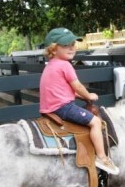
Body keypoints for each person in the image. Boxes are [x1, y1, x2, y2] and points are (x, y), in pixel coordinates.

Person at [40, 27, 119, 175]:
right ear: (53, 49)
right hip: (63, 107)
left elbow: (64, 90)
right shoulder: (65, 65)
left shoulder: (51, 65)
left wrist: (80, 96)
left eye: (72, 44)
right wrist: (88, 96)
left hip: (50, 107)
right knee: (95, 122)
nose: (71, 48)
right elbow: (77, 85)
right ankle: (102, 158)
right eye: (65, 45)